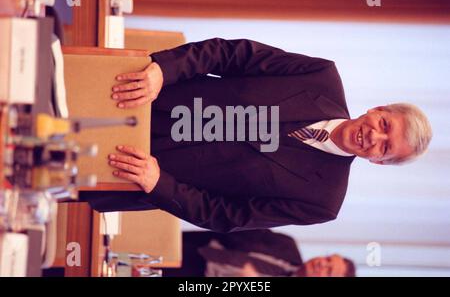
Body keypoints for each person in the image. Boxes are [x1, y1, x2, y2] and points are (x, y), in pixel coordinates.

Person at [82, 38, 432, 232]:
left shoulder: (322, 202)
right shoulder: (320, 75)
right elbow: (231, 55)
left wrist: (159, 183)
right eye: (385, 125)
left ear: (380, 162)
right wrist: (164, 70)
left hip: (133, 171)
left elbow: (226, 216)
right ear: (378, 109)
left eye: (385, 148)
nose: (374, 137)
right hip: (139, 95)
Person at [162, 229, 356, 277]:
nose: (323, 263)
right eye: (328, 259)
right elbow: (240, 228)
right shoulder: (287, 245)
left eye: (329, 271)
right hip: (194, 250)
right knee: (133, 252)